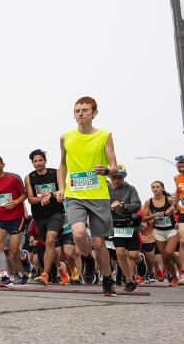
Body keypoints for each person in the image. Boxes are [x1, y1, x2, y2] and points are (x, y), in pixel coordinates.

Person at [56, 96, 119, 296]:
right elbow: (63, 164)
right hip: (75, 194)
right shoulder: (66, 137)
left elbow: (114, 166)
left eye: (85, 110)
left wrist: (107, 171)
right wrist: (60, 187)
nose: (80, 113)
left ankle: (108, 278)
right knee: (79, 234)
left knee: (99, 243)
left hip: (98, 195)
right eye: (77, 110)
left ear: (94, 113)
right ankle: (88, 257)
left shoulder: (104, 135)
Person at [25, 149, 66, 286]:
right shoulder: (29, 177)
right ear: (32, 163)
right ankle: (60, 267)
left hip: (56, 213)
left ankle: (45, 275)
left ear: (45, 161)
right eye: (35, 161)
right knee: (50, 245)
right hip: (39, 216)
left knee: (50, 240)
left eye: (40, 160)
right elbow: (30, 199)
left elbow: (61, 190)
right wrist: (41, 199)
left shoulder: (55, 173)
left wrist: (54, 195)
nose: (38, 163)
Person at [0, 155, 28, 287]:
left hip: (16, 217)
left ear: (3, 164)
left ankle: (23, 272)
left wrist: (15, 202)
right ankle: (4, 275)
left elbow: (25, 194)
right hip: (1, 218)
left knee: (13, 251)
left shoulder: (14, 178)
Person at [107, 164, 141, 292]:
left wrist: (122, 205)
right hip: (114, 224)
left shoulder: (130, 189)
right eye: (114, 177)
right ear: (110, 177)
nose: (117, 180)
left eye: (120, 177)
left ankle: (140, 259)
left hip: (129, 224)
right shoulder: (105, 189)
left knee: (133, 255)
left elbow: (137, 204)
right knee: (120, 252)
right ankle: (129, 281)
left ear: (124, 177)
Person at [142, 181, 180, 287]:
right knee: (165, 256)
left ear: (162, 188)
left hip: (171, 230)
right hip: (158, 231)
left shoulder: (170, 200)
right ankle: (174, 278)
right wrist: (154, 215)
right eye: (153, 187)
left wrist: (175, 214)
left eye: (158, 187)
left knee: (169, 252)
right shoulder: (149, 202)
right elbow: (144, 219)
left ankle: (181, 267)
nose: (155, 189)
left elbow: (179, 211)